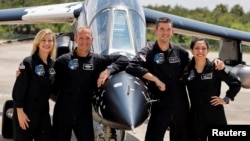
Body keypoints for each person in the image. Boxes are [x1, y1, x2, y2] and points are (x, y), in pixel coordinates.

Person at [126, 17, 224, 141]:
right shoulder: (148, 52)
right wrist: (155, 79)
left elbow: (197, 65)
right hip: (160, 105)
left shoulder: (180, 53)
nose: (165, 32)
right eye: (162, 29)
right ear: (155, 31)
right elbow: (132, 66)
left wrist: (217, 61)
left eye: (168, 29)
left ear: (172, 32)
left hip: (180, 106)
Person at [51, 26, 129, 141]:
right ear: (76, 39)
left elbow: (124, 59)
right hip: (62, 115)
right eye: (81, 38)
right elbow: (49, 79)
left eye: (87, 38)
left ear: (92, 40)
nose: (84, 41)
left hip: (83, 116)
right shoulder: (63, 61)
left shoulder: (97, 60)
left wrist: (108, 71)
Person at [184, 37, 241, 141]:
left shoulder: (216, 68)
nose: (200, 51)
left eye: (203, 48)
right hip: (196, 117)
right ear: (192, 50)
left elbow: (236, 83)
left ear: (208, 51)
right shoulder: (187, 69)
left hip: (215, 116)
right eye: (197, 48)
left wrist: (226, 99)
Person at [12, 28, 57, 141]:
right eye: (43, 40)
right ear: (37, 42)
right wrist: (20, 112)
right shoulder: (28, 62)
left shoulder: (53, 65)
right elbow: (18, 90)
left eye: (50, 40)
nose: (47, 43)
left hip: (43, 113)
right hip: (25, 113)